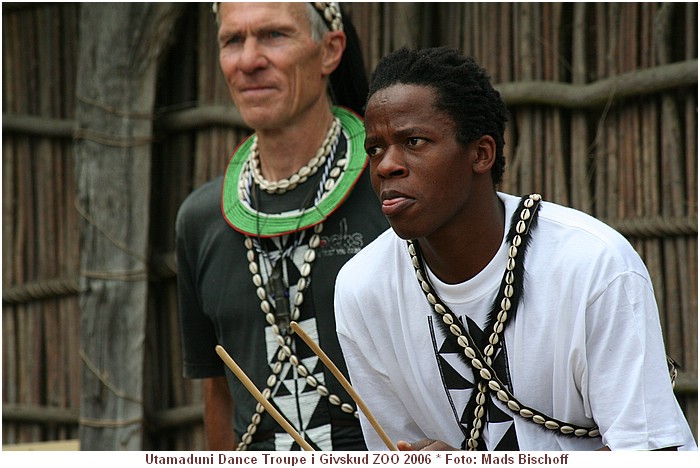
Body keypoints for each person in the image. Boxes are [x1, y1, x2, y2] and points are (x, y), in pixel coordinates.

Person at [334, 46, 697, 451]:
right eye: (375, 149)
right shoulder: (362, 288)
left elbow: (650, 454)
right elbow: (394, 448)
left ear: (481, 154)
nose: (386, 166)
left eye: (414, 141)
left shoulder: (593, 266)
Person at [176, 2, 387, 451]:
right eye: (233, 40)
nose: (249, 60)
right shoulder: (200, 221)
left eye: (273, 35)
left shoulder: (391, 195)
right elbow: (218, 390)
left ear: (330, 50)